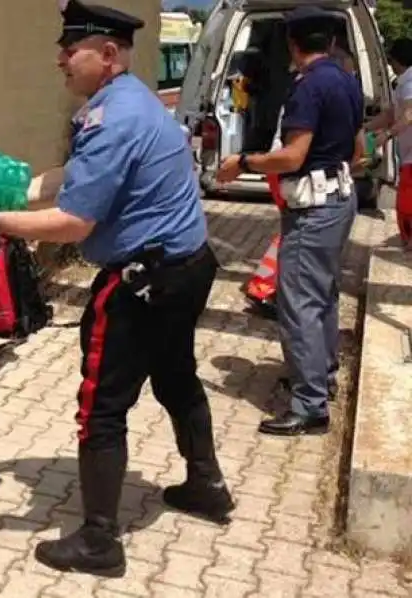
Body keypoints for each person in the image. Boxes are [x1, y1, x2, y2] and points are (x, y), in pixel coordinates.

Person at [0, 0, 235, 578]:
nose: (60, 57)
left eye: (70, 48)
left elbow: (75, 223)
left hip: (143, 283)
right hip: (185, 268)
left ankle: (100, 542)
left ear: (106, 55)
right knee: (176, 375)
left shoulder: (113, 119)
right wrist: (16, 191)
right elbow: (77, 181)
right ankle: (207, 485)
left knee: (101, 405)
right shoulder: (128, 103)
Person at [217, 6, 363, 436]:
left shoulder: (307, 88)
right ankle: (322, 375)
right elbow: (356, 152)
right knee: (323, 294)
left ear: (293, 45)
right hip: (339, 200)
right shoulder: (346, 82)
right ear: (333, 42)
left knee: (297, 303)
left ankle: (310, 405)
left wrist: (242, 162)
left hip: (313, 208)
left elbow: (292, 156)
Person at [244, 44, 357, 320]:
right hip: (289, 174)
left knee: (292, 236)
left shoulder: (313, 88)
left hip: (291, 174)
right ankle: (266, 287)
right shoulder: (313, 90)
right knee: (293, 238)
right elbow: (295, 155)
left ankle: (266, 285)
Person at [366, 38, 412, 247]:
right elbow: (391, 113)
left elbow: (410, 113)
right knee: (404, 201)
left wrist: (388, 134)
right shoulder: (402, 82)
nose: (390, 64)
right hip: (407, 154)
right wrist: (365, 128)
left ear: (397, 60)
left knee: (406, 203)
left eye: (391, 59)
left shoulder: (410, 81)